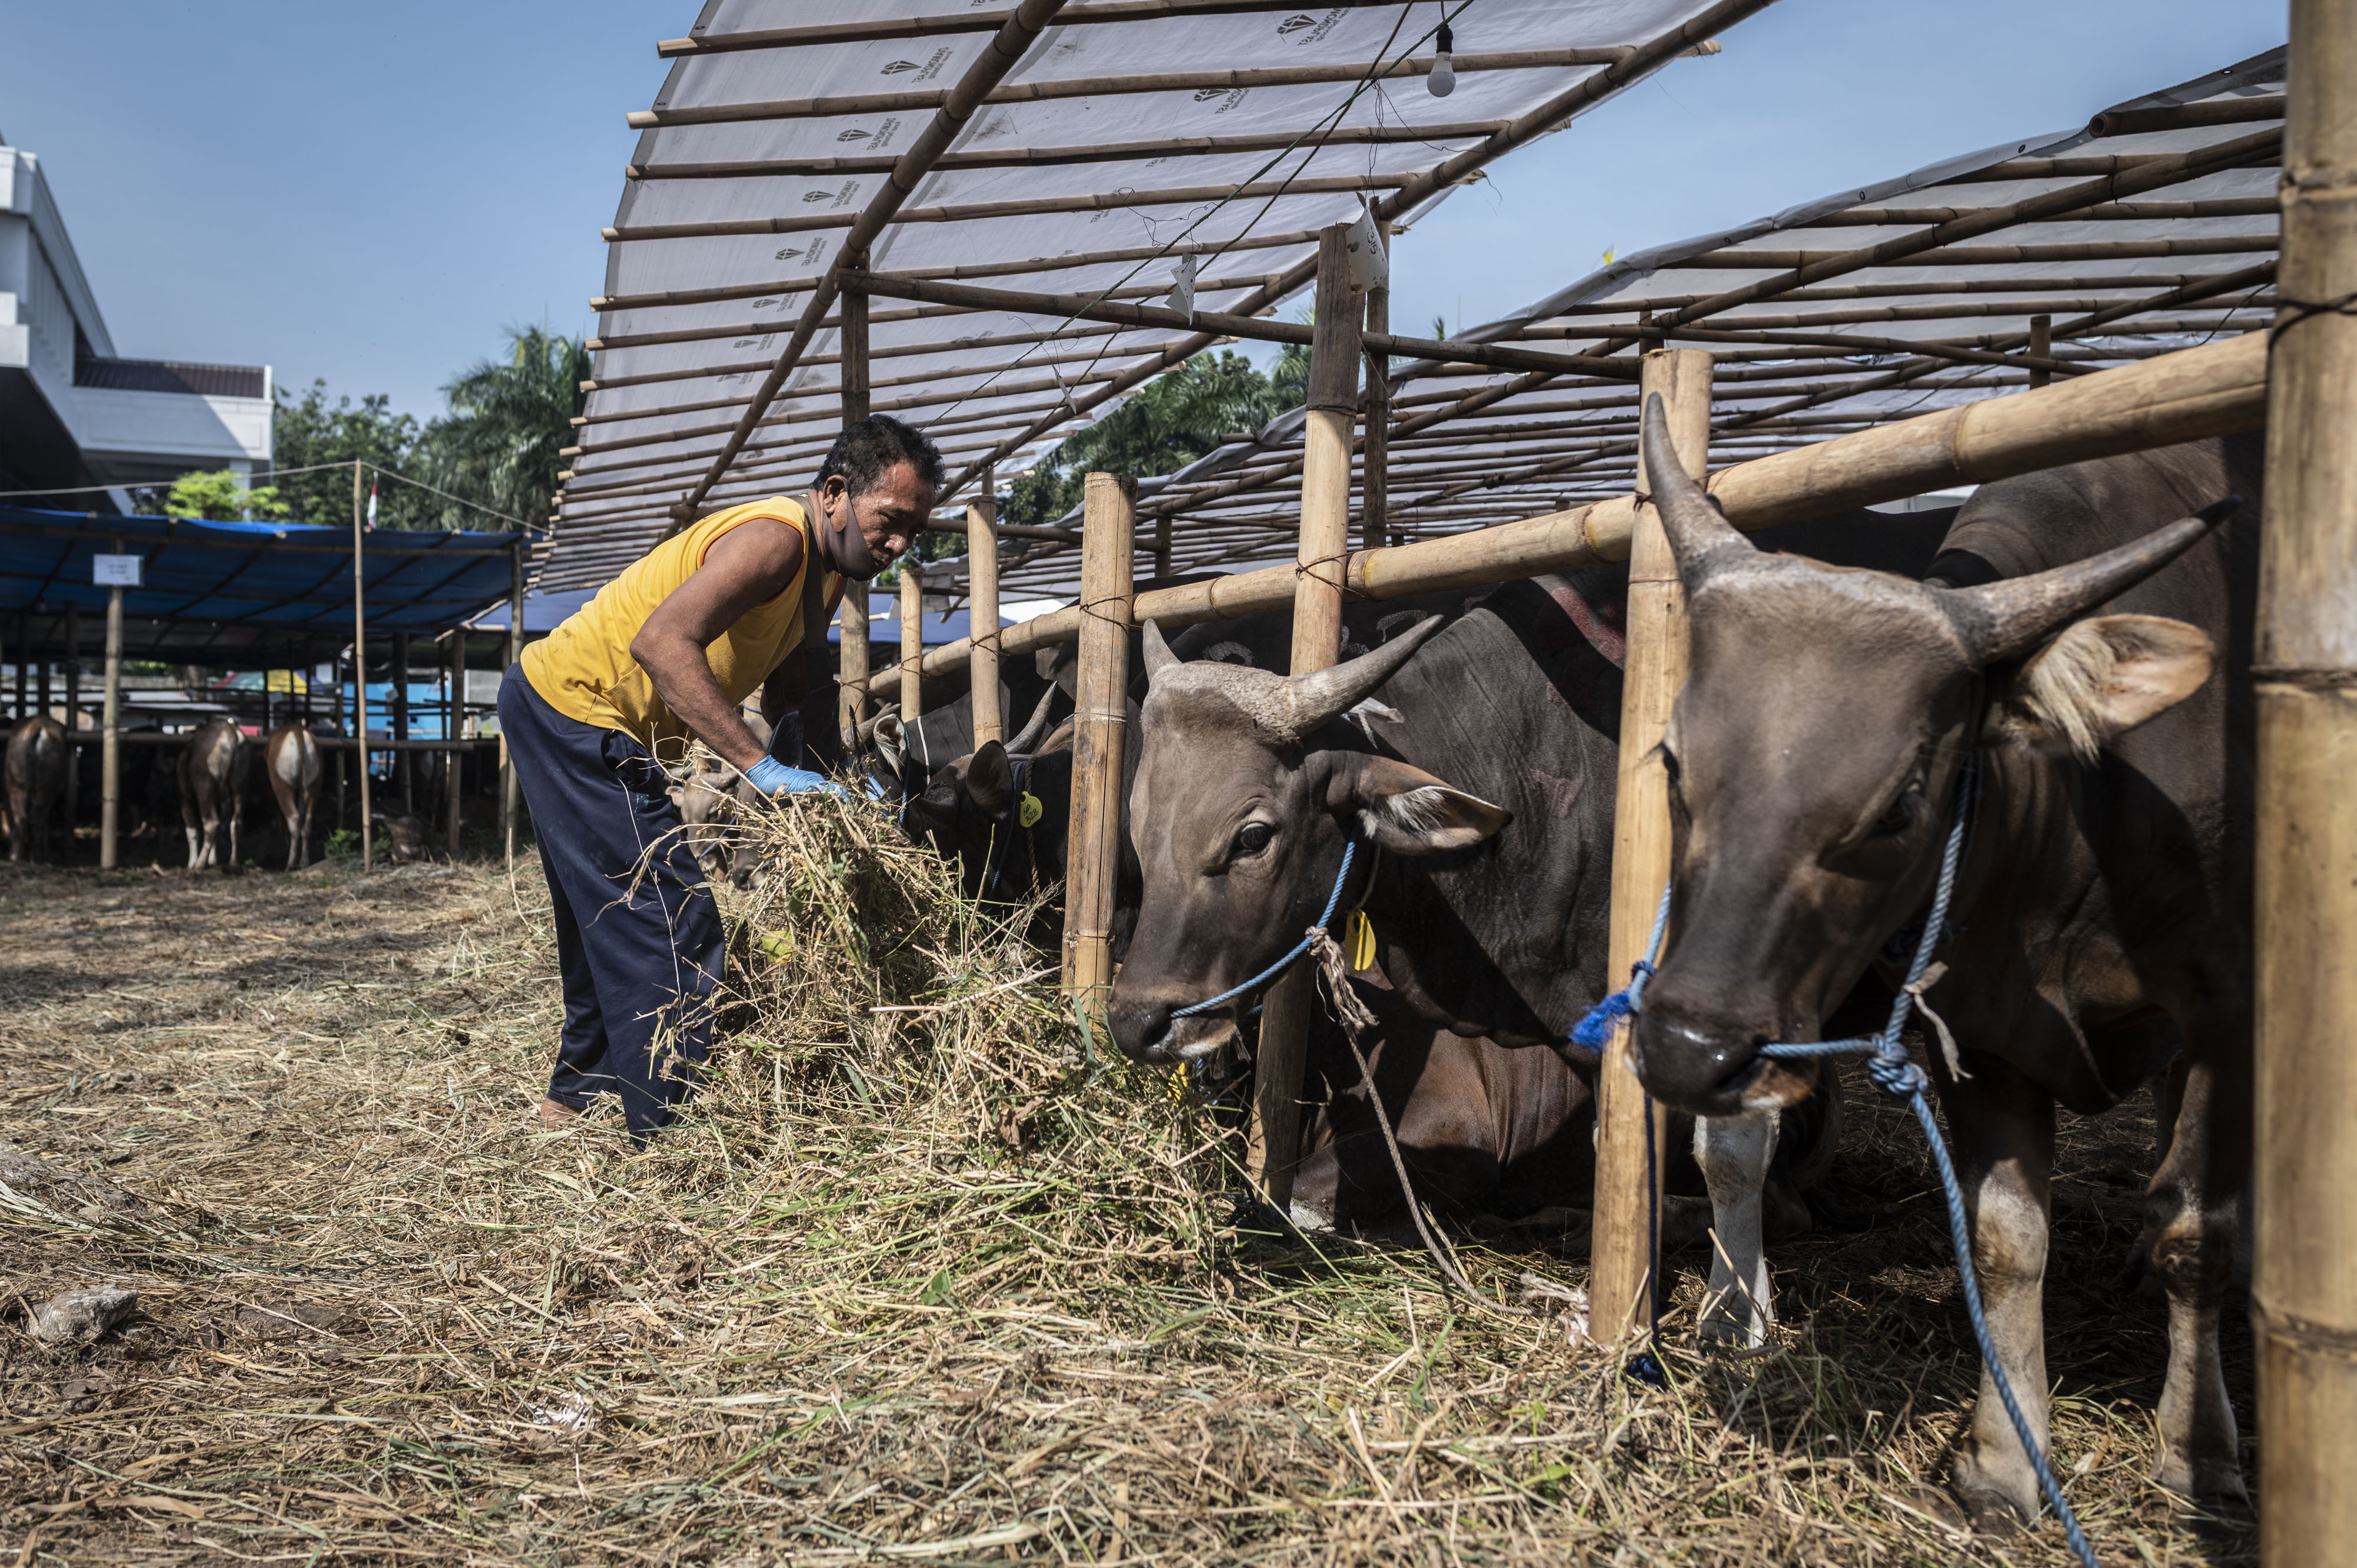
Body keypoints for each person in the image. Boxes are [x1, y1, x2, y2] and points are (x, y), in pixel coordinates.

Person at [499, 415, 942, 1140]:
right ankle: (668, 1135)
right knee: (673, 922)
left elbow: (800, 685)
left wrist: (842, 786)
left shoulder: (821, 576)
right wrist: (760, 767)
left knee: (608, 917)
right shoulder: (776, 540)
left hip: (567, 709)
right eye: (889, 521)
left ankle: (568, 1102)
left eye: (913, 532)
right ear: (835, 493)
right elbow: (660, 643)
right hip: (575, 709)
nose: (897, 545)